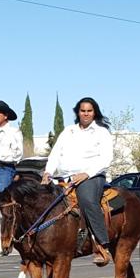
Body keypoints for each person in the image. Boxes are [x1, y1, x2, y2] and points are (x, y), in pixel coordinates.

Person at [42, 97, 114, 266]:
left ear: (94, 112)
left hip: (92, 176)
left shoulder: (101, 132)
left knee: (87, 201)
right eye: (83, 111)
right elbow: (55, 153)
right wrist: (47, 172)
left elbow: (106, 158)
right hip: (64, 177)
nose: (86, 114)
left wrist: (86, 173)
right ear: (78, 112)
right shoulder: (69, 131)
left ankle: (101, 244)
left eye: (89, 111)